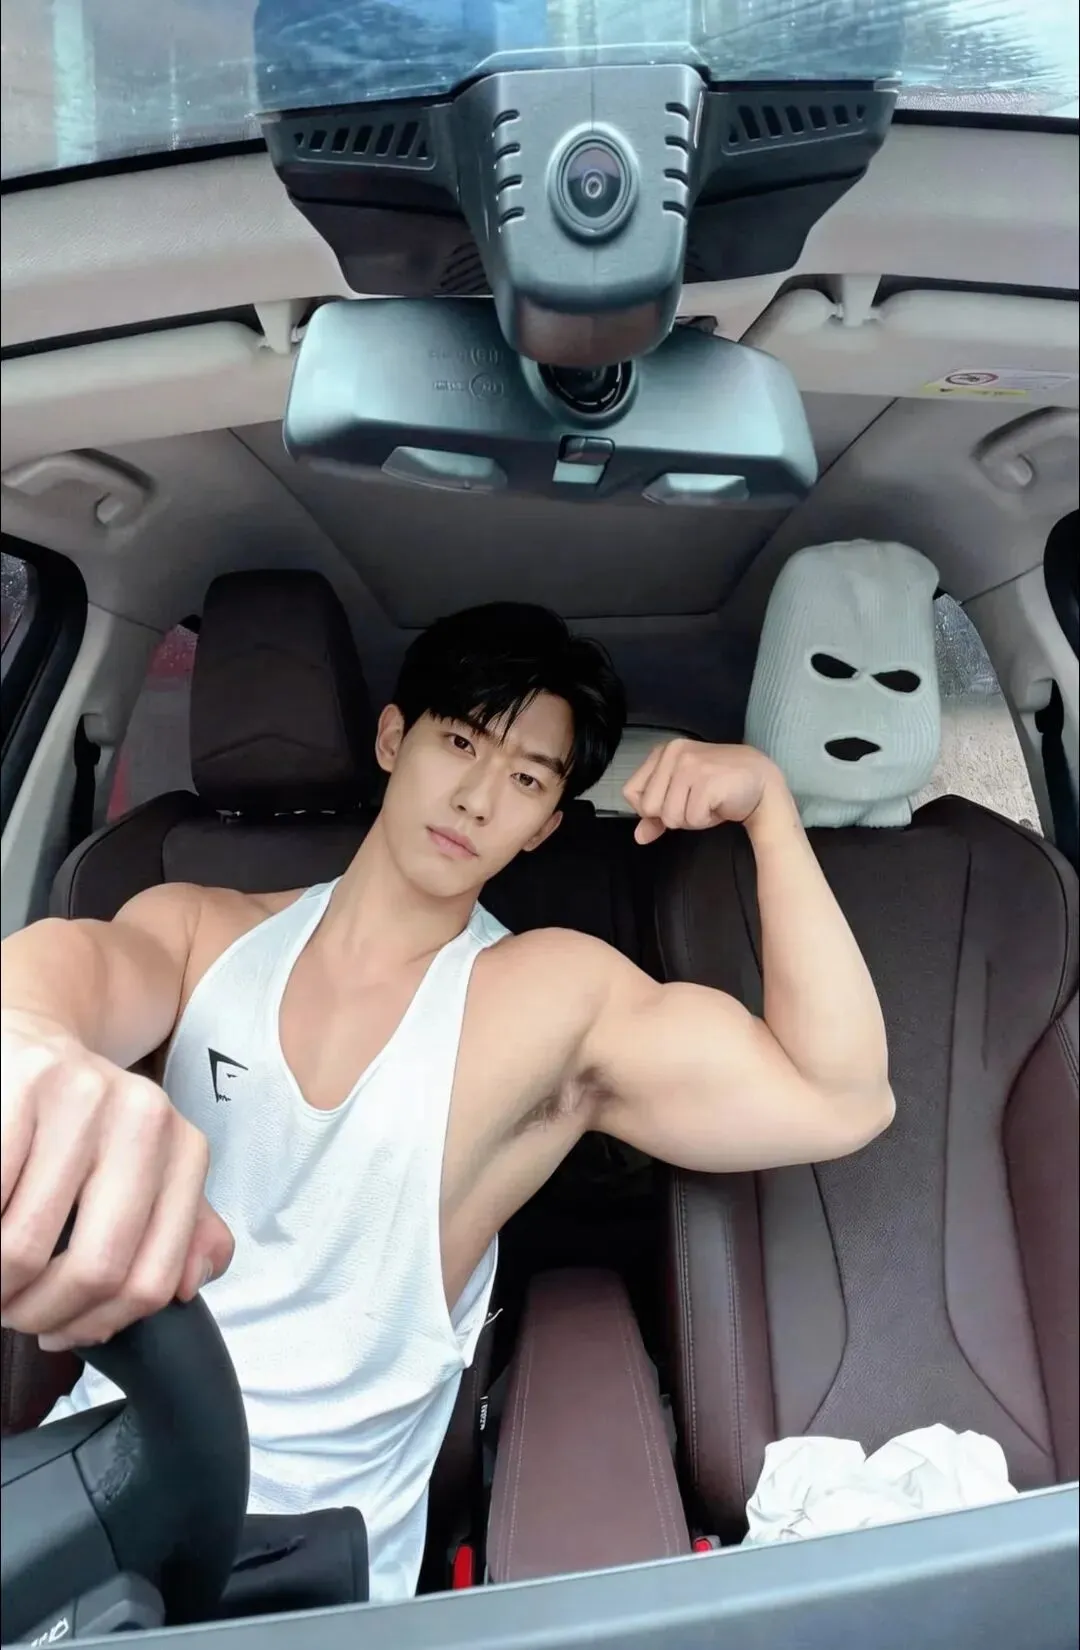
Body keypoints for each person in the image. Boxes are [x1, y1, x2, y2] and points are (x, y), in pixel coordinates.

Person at [0, 601, 894, 1600]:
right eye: (461, 742)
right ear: (394, 739)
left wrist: (771, 811)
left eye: (526, 779)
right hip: (94, 1489)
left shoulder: (548, 995)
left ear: (545, 826)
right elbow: (72, 968)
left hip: (307, 1567)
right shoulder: (194, 930)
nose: (475, 798)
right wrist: (22, 1033)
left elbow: (839, 1097)